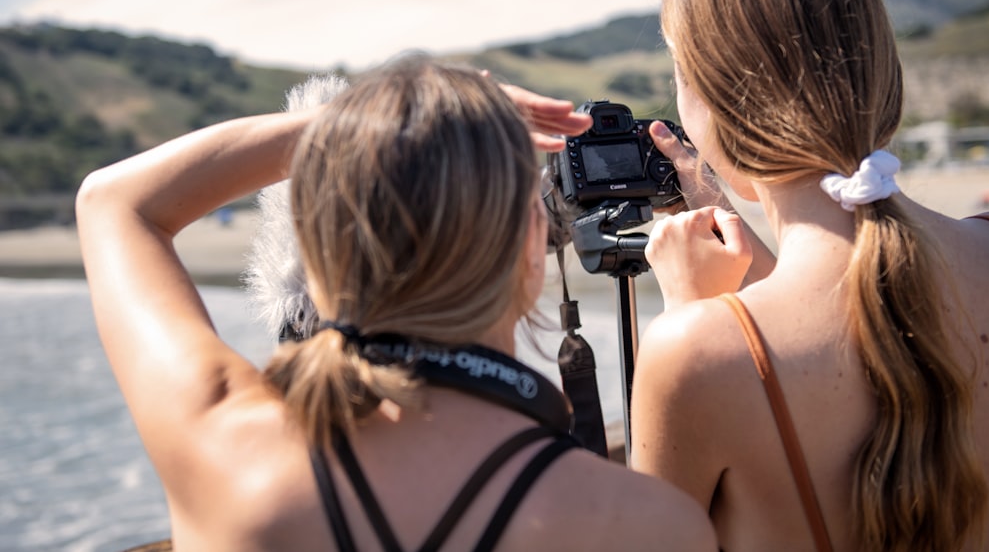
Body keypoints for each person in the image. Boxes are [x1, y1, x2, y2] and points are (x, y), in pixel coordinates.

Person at [76, 54, 716, 551]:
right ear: (530, 246)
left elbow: (113, 201)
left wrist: (363, 130)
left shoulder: (220, 443)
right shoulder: (643, 525)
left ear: (317, 251)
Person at [628, 0, 989, 552]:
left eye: (682, 75)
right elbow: (865, 303)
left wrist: (698, 314)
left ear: (717, 107)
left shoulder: (695, 352)